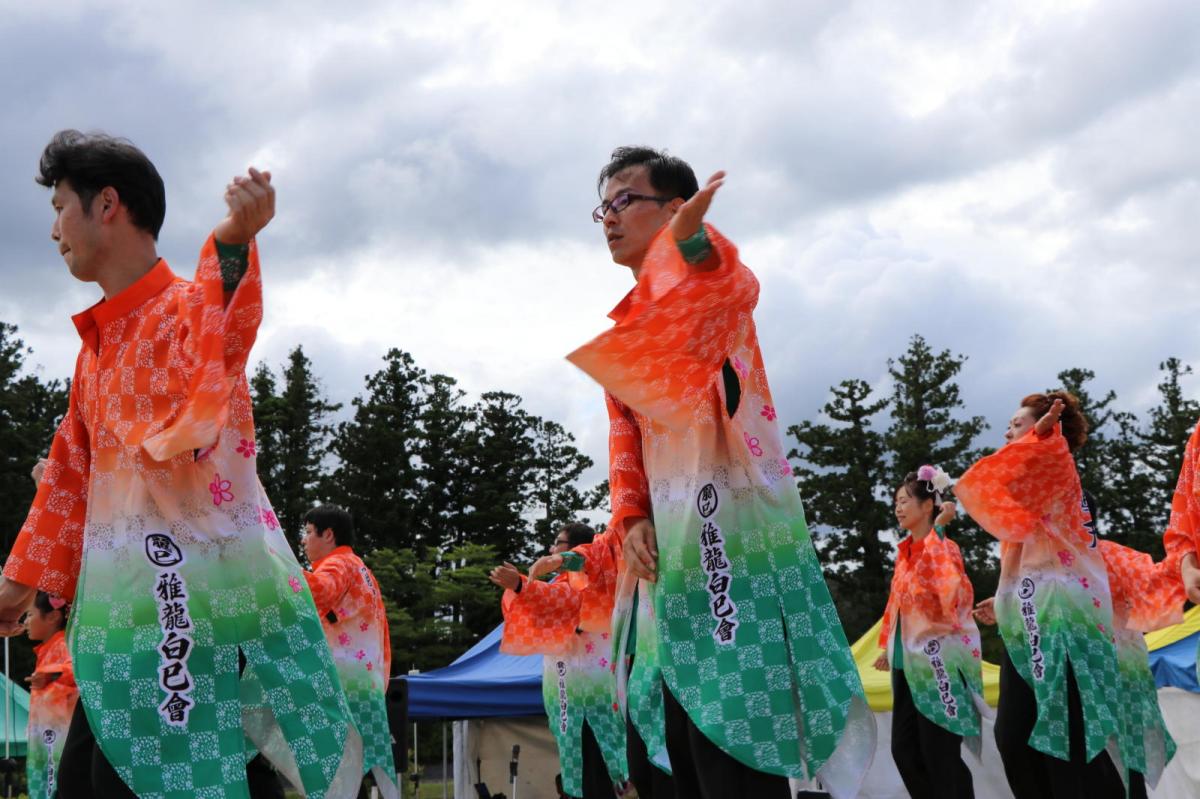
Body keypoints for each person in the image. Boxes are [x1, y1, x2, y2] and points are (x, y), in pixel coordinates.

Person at [0, 130, 361, 798]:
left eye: (59, 208)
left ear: (106, 204)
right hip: (125, 637)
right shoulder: (95, 350)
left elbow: (223, 322)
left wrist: (233, 237)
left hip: (202, 623)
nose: (52, 230)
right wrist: (20, 584)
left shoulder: (183, 310)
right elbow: (68, 475)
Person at [565, 146, 874, 799]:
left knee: (734, 740)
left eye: (624, 201)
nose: (608, 219)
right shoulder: (629, 325)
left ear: (674, 207)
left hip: (728, 539)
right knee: (673, 744)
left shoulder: (711, 291)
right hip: (668, 554)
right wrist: (632, 516)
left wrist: (694, 239)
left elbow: (731, 280)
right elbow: (625, 435)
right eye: (603, 206)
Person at [956, 393, 1125, 798]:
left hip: (1064, 627)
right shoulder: (1028, 501)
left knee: (1066, 741)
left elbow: (1031, 469)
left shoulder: (1063, 485)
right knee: (1015, 737)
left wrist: (1046, 436)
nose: (1007, 432)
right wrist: (1006, 603)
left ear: (1044, 433)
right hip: (1028, 628)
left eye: (1016, 424)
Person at [491, 523, 629, 799]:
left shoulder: (597, 579)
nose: (552, 549)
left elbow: (563, 602)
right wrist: (522, 588)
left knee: (603, 759)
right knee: (575, 757)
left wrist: (520, 585)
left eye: (558, 543)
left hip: (596, 689)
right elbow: (547, 601)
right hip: (567, 686)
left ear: (576, 548)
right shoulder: (561, 584)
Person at [874, 467, 982, 799]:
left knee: (940, 755)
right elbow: (896, 603)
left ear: (927, 505)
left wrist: (938, 532)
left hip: (938, 664)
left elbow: (950, 595)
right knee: (904, 751)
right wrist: (885, 646)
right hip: (908, 663)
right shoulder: (904, 552)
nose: (898, 507)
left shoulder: (944, 548)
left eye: (905, 500)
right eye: (896, 502)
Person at [300, 505, 398, 798]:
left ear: (328, 534)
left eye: (307, 533)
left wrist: (277, 566)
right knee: (354, 773)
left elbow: (319, 591)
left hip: (340, 687)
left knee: (339, 773)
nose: (303, 541)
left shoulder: (339, 565)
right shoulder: (361, 569)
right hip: (364, 686)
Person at [23, 591, 77, 799]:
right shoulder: (48, 649)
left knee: (54, 786)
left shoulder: (64, 644)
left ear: (53, 616)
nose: (27, 621)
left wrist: (51, 674)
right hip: (49, 734)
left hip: (59, 736)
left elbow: (75, 671)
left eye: (30, 614)